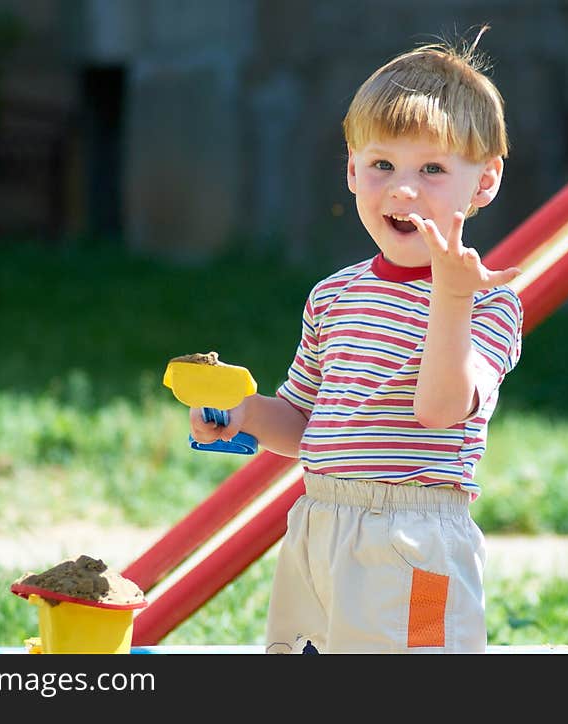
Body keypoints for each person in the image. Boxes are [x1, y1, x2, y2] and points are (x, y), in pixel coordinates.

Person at [189, 27, 523, 653]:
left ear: (483, 182)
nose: (403, 188)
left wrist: (452, 299)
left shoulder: (487, 301)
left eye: (432, 168)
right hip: (319, 527)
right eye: (382, 165)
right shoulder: (334, 295)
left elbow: (440, 409)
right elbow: (305, 421)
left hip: (417, 540)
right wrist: (244, 415)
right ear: (351, 170)